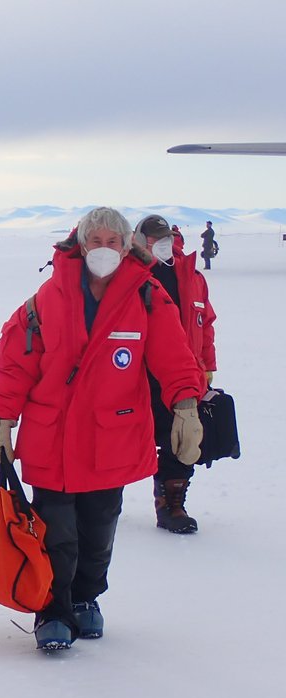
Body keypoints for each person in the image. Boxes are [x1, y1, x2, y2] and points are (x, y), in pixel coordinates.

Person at [0, 207, 204, 651]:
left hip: (112, 439)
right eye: (96, 241)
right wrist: (1, 419)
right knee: (56, 531)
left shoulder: (148, 296)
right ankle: (53, 608)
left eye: (113, 241)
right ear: (81, 245)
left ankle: (86, 599)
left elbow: (174, 357)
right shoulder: (49, 297)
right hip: (54, 438)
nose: (104, 249)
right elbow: (16, 362)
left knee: (99, 528)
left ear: (127, 247)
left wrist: (186, 407)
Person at [134, 214, 217, 533]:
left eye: (164, 237)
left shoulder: (191, 276)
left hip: (181, 375)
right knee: (112, 438)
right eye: (152, 238)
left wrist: (207, 366)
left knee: (182, 440)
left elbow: (205, 323)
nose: (160, 244)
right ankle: (96, 501)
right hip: (134, 375)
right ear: (140, 240)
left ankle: (171, 503)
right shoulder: (127, 273)